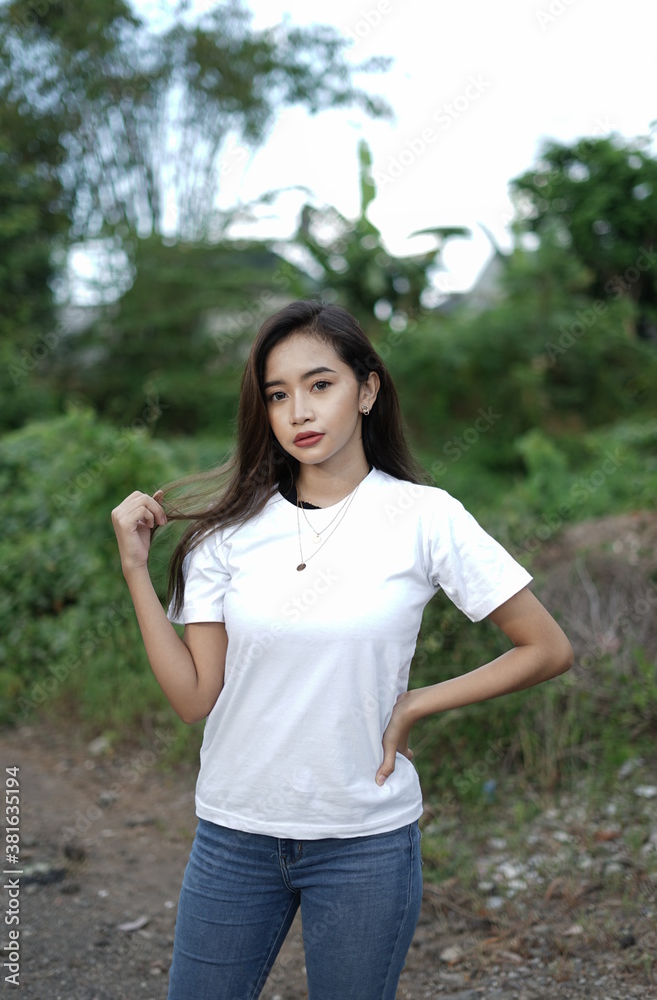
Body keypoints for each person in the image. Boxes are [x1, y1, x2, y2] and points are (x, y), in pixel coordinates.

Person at [111, 299, 573, 1000]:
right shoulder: (227, 535)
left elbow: (544, 647)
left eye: (319, 384)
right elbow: (192, 699)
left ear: (366, 389)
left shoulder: (424, 517)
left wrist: (417, 702)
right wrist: (135, 570)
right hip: (235, 834)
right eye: (277, 394)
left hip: (364, 841)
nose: (298, 409)